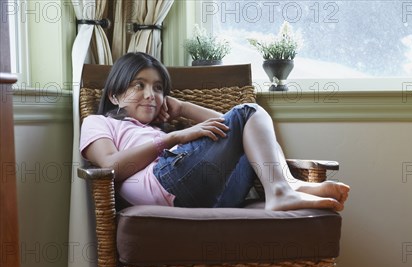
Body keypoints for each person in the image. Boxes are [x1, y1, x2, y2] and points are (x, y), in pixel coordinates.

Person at [80, 52, 349, 211]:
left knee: (251, 125)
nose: (151, 95)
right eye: (139, 85)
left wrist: (183, 108)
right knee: (247, 110)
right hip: (164, 183)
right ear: (115, 95)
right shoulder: (99, 122)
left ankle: (285, 185)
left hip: (215, 197)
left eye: (158, 88)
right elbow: (111, 166)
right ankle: (281, 189)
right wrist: (174, 137)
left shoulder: (155, 128)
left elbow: (246, 130)